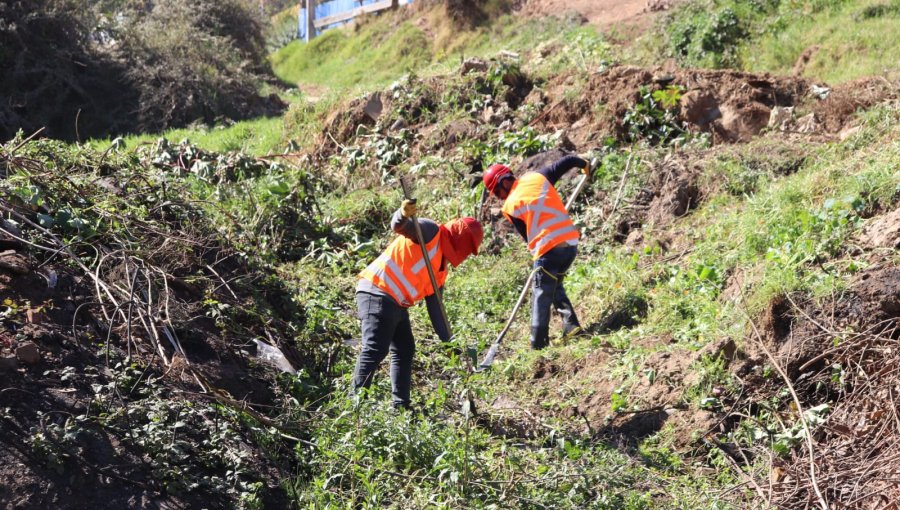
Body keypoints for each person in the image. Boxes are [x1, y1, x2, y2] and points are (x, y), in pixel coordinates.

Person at [353, 200, 483, 409]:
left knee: (405, 349)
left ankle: (401, 407)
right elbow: (399, 226)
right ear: (461, 240)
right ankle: (355, 407)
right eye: (468, 249)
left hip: (396, 303)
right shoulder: (430, 233)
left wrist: (452, 347)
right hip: (377, 291)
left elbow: (437, 314)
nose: (466, 256)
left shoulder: (440, 272)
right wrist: (403, 214)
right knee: (375, 349)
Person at [482, 154, 589, 350]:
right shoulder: (539, 176)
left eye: (497, 192)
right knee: (554, 285)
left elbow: (527, 237)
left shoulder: (510, 206)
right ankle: (571, 326)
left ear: (504, 182)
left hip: (548, 249)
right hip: (570, 244)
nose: (499, 196)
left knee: (540, 293)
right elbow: (566, 161)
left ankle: (537, 344)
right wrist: (584, 165)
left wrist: (538, 257)